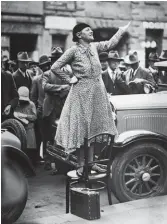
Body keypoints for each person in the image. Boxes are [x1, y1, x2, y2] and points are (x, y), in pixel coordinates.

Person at [51, 22, 130, 175]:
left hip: (97, 92)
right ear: (79, 35)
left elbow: (109, 44)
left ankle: (91, 162)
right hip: (81, 93)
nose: (91, 31)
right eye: (88, 30)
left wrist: (121, 30)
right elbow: (55, 66)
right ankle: (81, 164)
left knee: (94, 127)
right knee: (83, 129)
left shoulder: (94, 46)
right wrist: (69, 79)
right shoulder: (73, 50)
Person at [14, 87, 37, 165]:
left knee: (30, 150)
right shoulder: (16, 104)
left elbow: (34, 117)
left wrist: (25, 116)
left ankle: (31, 164)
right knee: (21, 148)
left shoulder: (31, 104)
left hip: (29, 129)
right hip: (19, 129)